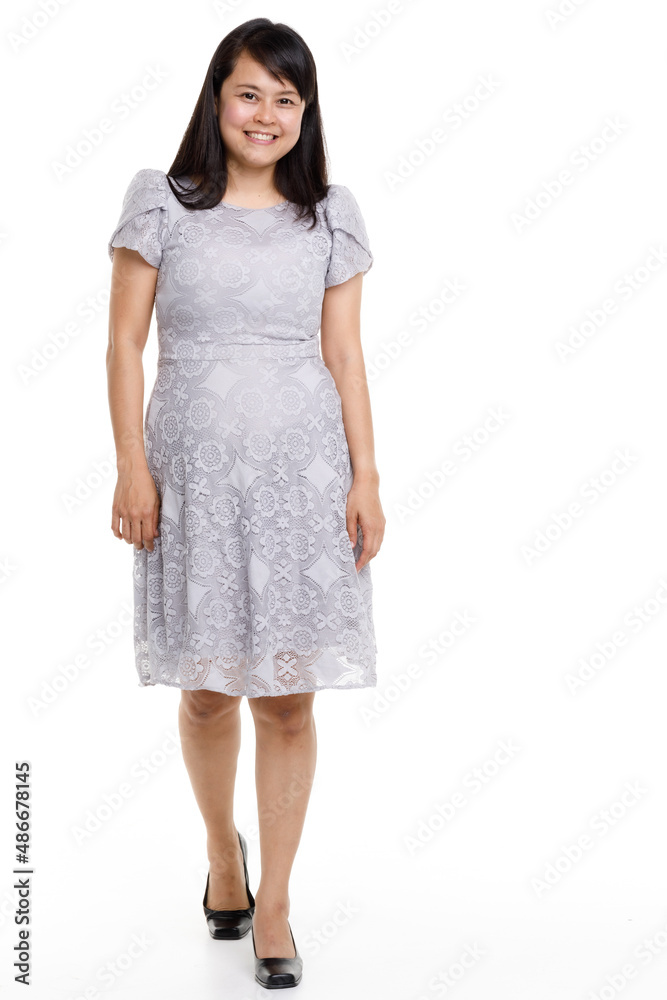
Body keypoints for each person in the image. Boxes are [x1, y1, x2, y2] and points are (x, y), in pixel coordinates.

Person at [106, 17, 385, 991]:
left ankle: (275, 903)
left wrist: (366, 476)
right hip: (191, 479)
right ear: (216, 98)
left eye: (286, 98)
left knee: (289, 696)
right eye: (249, 93)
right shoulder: (162, 202)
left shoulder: (329, 214)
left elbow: (344, 353)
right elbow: (123, 344)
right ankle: (222, 854)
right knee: (208, 686)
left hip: (301, 481)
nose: (266, 114)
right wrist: (131, 467)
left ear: (306, 113)